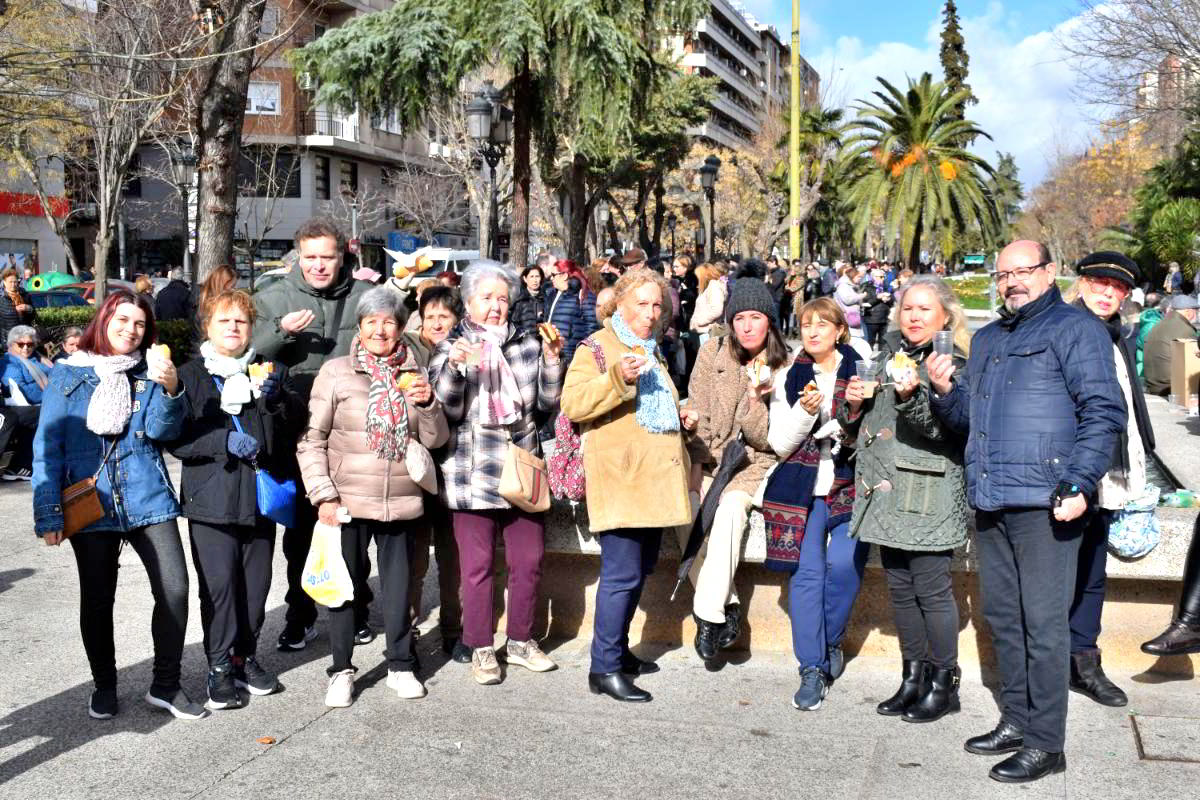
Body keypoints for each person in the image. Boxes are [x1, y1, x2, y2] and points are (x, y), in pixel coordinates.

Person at [927, 240, 1124, 783]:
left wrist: (1079, 481)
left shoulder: (1075, 329)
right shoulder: (988, 338)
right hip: (993, 499)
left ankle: (1046, 743)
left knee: (1043, 625)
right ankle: (1015, 721)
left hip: (1049, 502)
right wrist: (945, 390)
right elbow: (970, 420)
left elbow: (1104, 411)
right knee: (1005, 621)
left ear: (1049, 271)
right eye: (1004, 273)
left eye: (1023, 271)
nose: (1012, 281)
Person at [32, 290, 207, 721]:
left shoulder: (149, 374)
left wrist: (170, 390)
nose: (130, 330)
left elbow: (162, 431)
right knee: (97, 599)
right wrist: (48, 512)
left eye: (140, 324)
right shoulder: (66, 377)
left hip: (147, 496)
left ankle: (166, 684)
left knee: (175, 590)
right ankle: (104, 685)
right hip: (91, 501)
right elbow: (47, 447)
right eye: (123, 320)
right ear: (104, 319)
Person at [298, 287, 448, 707]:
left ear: (401, 329)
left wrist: (428, 403)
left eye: (389, 322)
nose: (380, 330)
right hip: (345, 500)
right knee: (345, 589)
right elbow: (312, 440)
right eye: (371, 322)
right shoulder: (336, 372)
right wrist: (323, 495)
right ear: (360, 328)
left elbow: (436, 440)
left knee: (400, 589)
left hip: (401, 498)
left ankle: (401, 664)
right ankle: (341, 669)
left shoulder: (416, 370)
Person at [560, 268, 696, 702]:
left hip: (652, 479)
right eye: (641, 303)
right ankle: (603, 669)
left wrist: (682, 415)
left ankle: (618, 653)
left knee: (638, 573)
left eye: (657, 305)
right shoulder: (598, 346)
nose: (651, 313)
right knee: (620, 576)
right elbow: (573, 403)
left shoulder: (651, 346)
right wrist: (618, 378)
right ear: (618, 303)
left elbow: (657, 405)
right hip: (622, 478)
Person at [428, 260, 564, 685]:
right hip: (471, 468)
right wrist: (455, 368)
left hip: (520, 464)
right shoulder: (451, 345)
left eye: (502, 299)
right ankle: (481, 645)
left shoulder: (525, 343)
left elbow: (545, 404)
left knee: (529, 560)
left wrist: (552, 361)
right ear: (469, 302)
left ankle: (522, 640)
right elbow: (444, 409)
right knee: (477, 566)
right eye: (486, 298)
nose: (495, 307)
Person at [845, 276, 970, 723]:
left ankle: (943, 683)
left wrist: (915, 394)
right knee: (900, 590)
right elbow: (865, 427)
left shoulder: (952, 364)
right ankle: (911, 679)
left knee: (933, 592)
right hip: (887, 490)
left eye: (924, 310)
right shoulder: (887, 359)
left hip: (929, 492)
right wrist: (854, 406)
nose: (913, 317)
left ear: (945, 317)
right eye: (908, 309)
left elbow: (949, 430)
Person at [170, 289, 303, 709]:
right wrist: (222, 440)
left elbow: (293, 428)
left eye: (241, 322)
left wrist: (280, 398)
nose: (233, 327)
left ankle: (244, 658)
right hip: (211, 499)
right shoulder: (189, 375)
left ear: (251, 329)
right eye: (224, 320)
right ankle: (218, 668)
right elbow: (175, 438)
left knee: (256, 588)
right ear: (208, 327)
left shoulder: (267, 370)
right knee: (221, 590)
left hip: (258, 500)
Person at [251, 217, 374, 652]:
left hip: (354, 430)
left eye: (328, 257)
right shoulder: (272, 296)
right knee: (302, 532)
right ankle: (299, 613)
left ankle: (356, 608)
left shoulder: (365, 297)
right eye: (311, 258)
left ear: (343, 256)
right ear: (297, 257)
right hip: (297, 430)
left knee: (354, 528)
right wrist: (281, 331)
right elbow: (247, 352)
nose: (319, 266)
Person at [763, 297, 867, 712]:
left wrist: (855, 413)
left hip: (850, 486)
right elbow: (779, 443)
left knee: (842, 565)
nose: (813, 331)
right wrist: (806, 416)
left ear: (840, 329)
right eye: (806, 324)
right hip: (800, 489)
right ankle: (812, 667)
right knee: (807, 576)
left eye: (823, 323)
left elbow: (872, 436)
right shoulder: (791, 375)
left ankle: (831, 640)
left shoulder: (861, 371)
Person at [1064, 252, 1157, 708]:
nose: (1108, 293)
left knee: (1092, 574)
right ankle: (1048, 664)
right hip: (1068, 475)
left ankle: (1083, 661)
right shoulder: (1066, 329)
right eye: (1100, 282)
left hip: (1107, 477)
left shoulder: (1117, 334)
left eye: (1117, 287)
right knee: (1059, 574)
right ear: (1081, 283)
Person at [682, 279, 786, 662]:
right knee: (685, 508)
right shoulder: (712, 353)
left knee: (727, 509)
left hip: (754, 465)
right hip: (710, 457)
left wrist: (759, 400)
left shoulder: (783, 365)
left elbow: (769, 440)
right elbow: (699, 407)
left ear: (769, 322)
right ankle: (729, 603)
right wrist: (697, 455)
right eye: (738, 318)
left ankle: (707, 617)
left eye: (754, 317)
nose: (745, 326)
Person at [406, 285, 468, 662]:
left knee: (453, 558)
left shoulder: (468, 350)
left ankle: (453, 630)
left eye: (444, 316)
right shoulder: (407, 350)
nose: (437, 323)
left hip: (456, 467)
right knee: (413, 560)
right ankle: (407, 630)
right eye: (430, 317)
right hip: (416, 469)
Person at [543, 258, 598, 367]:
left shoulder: (584, 295)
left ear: (564, 275)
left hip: (572, 356)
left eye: (554, 275)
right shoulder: (552, 294)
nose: (551, 278)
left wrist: (580, 351)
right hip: (552, 352)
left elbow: (592, 327)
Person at [1143, 294, 1199, 396]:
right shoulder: (1184, 329)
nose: (1197, 315)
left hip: (1153, 385)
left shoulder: (1159, 324)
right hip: (1170, 389)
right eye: (1196, 311)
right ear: (1189, 312)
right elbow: (1193, 364)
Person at [3, 325, 49, 406]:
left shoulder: (35, 357)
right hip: (34, 407)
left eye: (30, 344)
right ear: (11, 344)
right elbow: (24, 393)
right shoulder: (9, 362)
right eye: (21, 344)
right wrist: (52, 395)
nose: (25, 348)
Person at [0, 267, 36, 345]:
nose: (13, 284)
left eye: (15, 282)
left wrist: (28, 308)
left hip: (25, 338)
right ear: (4, 282)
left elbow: (33, 315)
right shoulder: (1, 299)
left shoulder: (25, 295)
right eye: (10, 282)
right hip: (9, 340)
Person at [860, 268, 893, 351]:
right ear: (874, 277)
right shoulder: (867, 286)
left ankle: (881, 362)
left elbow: (892, 299)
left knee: (883, 343)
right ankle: (868, 361)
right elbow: (865, 301)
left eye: (883, 277)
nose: (883, 279)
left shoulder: (886, 287)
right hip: (871, 318)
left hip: (884, 318)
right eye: (880, 277)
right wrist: (877, 297)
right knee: (870, 343)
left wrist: (889, 299)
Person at [511, 265, 546, 335]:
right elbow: (513, 323)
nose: (535, 280)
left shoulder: (546, 298)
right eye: (531, 276)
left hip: (542, 341)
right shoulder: (518, 299)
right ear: (525, 279)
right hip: (523, 342)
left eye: (537, 276)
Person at [834, 265, 865, 339]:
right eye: (858, 277)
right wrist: (860, 296)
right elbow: (847, 300)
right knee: (851, 339)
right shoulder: (843, 286)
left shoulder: (850, 286)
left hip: (852, 316)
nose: (859, 279)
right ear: (852, 277)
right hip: (848, 317)